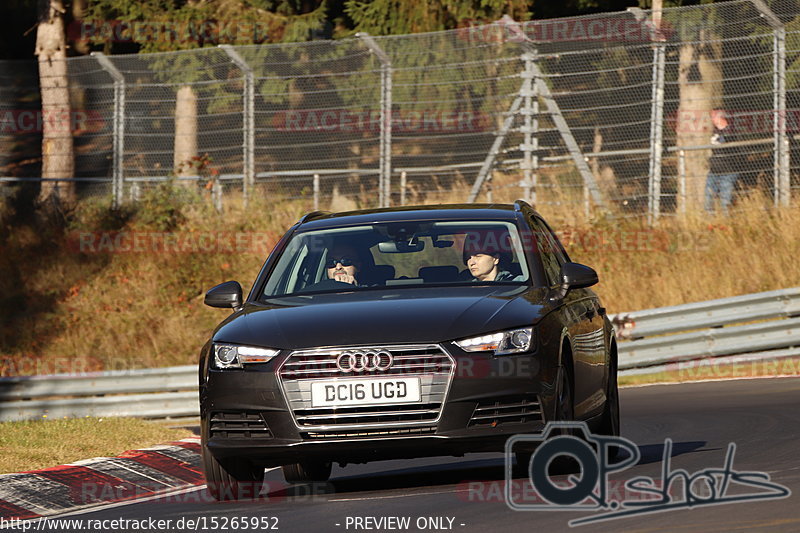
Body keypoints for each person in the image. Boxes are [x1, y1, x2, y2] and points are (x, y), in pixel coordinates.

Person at [705, 109, 740, 214]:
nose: (711, 119)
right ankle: (709, 221)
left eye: (713, 116)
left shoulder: (730, 131)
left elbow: (735, 150)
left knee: (725, 199)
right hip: (714, 171)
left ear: (720, 117)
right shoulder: (714, 132)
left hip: (728, 171)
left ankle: (726, 222)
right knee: (708, 196)